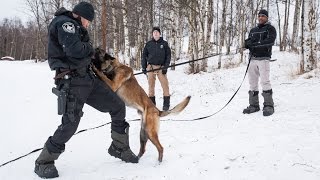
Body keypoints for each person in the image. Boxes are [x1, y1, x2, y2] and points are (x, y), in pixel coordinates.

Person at [34, 2, 138, 179]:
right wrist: (90, 49)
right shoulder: (64, 24)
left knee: (118, 106)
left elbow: (85, 53)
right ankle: (44, 161)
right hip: (71, 81)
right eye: (87, 20)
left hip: (88, 79)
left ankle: (119, 147)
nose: (88, 24)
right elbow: (75, 50)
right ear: (79, 15)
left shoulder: (76, 27)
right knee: (70, 123)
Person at [243, 9, 277, 116]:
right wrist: (247, 43)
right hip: (252, 59)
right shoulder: (253, 30)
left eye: (263, 16)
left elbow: (269, 42)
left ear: (266, 17)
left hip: (264, 59)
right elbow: (248, 41)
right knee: (252, 82)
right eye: (259, 16)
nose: (261, 18)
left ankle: (268, 105)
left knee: (265, 81)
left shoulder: (270, 29)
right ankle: (254, 105)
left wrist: (255, 44)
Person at [142, 27, 172, 111]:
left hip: (161, 67)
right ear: (152, 34)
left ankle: (166, 104)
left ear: (159, 34)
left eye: (157, 32)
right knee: (151, 86)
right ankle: (152, 104)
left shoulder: (164, 44)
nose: (155, 33)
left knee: (165, 85)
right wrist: (143, 67)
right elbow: (144, 56)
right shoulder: (148, 44)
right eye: (154, 32)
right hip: (150, 67)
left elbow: (168, 56)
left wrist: (165, 67)